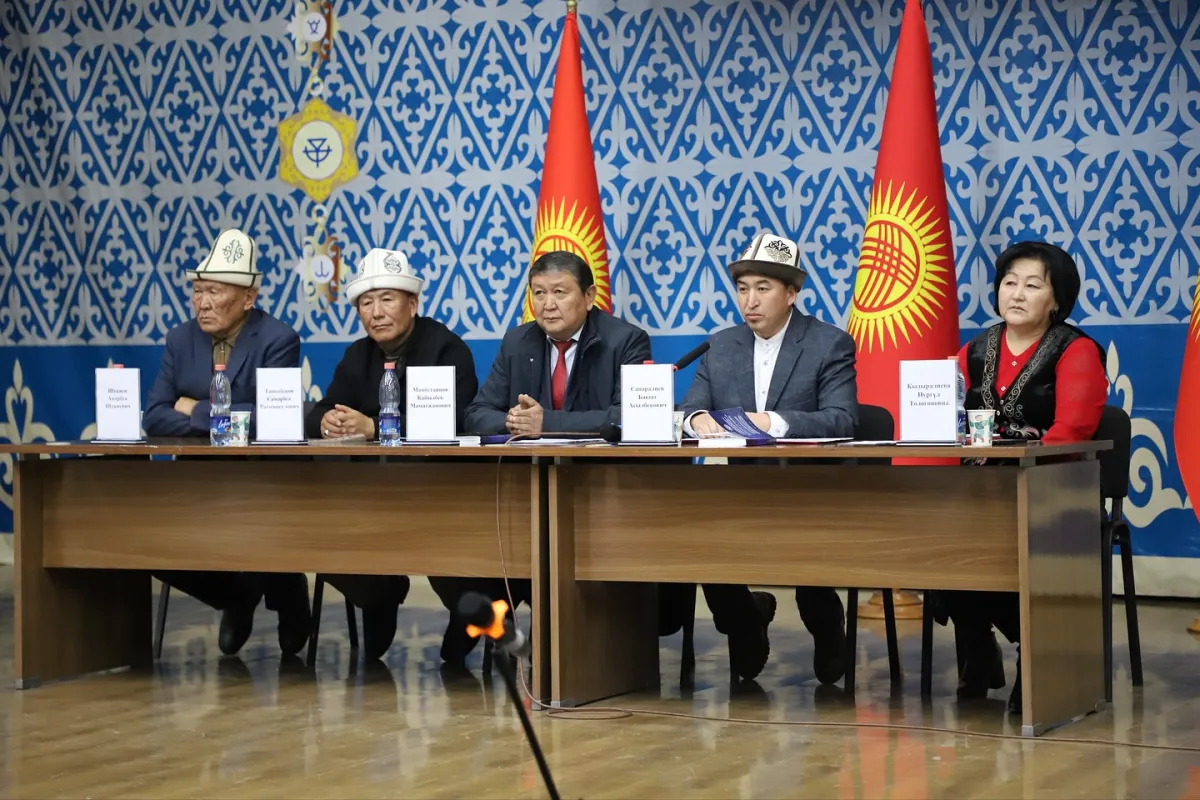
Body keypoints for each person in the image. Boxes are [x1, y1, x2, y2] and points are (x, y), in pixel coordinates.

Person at [676, 231, 858, 684]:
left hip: (811, 491)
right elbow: (689, 407)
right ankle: (745, 620)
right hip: (741, 491)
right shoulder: (721, 345)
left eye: (763, 288)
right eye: (742, 289)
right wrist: (696, 419)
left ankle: (826, 622)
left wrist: (771, 422)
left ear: (791, 293)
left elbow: (842, 419)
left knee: (806, 559)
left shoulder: (829, 343)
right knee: (695, 533)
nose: (750, 301)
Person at [458, 250, 651, 668]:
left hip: (605, 491)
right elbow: (476, 412)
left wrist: (547, 423)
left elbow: (629, 416)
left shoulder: (626, 340)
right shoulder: (518, 341)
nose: (547, 305)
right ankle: (505, 626)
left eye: (560, 293)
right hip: (530, 492)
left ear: (589, 296)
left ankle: (568, 646)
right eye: (538, 293)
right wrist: (514, 420)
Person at [938, 240, 1107, 714]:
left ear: (1056, 299)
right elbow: (942, 416)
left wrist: (1015, 472)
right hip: (977, 489)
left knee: (994, 534)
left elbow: (1072, 431)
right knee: (934, 534)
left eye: (1033, 285)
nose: (1016, 293)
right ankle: (978, 647)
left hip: (1051, 490)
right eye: (1009, 282)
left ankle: (1036, 652)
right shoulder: (975, 349)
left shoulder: (1075, 350)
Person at [304, 247, 478, 661]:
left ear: (412, 304)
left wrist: (375, 427)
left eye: (387, 299)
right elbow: (320, 408)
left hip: (438, 492)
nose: (376, 313)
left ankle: (464, 612)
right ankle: (380, 595)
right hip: (368, 495)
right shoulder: (358, 354)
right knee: (319, 529)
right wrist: (328, 421)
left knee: (445, 546)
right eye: (366, 303)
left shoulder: (446, 349)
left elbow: (454, 421)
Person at [144, 228, 312, 657]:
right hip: (197, 482)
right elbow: (155, 416)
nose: (202, 302)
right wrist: (228, 417)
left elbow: (270, 417)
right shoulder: (179, 340)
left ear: (248, 298)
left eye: (214, 292)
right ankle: (236, 594)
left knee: (262, 520)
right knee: (149, 542)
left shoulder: (278, 339)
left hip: (263, 482)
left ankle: (286, 589)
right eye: (197, 291)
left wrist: (195, 410)